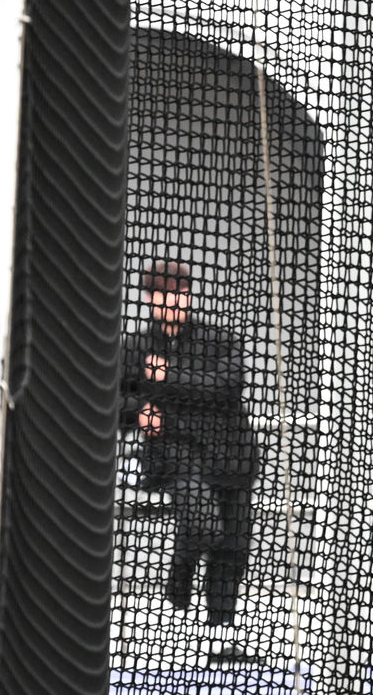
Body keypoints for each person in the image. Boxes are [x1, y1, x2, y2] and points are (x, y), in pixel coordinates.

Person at [118, 258, 259, 661]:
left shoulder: (220, 340)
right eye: (165, 294)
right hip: (176, 454)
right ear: (149, 299)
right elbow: (109, 399)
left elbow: (226, 387)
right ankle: (177, 597)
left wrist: (169, 377)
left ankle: (220, 632)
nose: (175, 301)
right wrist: (138, 410)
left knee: (232, 548)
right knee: (202, 524)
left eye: (181, 292)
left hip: (231, 454)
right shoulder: (136, 348)